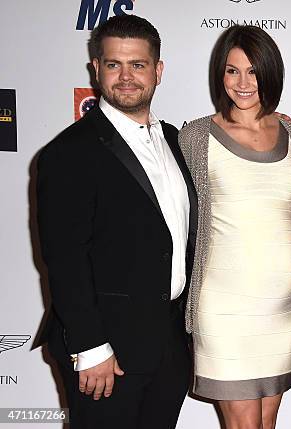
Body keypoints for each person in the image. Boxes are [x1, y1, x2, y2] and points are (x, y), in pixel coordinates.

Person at [37, 15, 196, 429]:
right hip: (107, 353)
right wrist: (90, 347)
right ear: (96, 69)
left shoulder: (176, 141)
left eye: (138, 65)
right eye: (113, 65)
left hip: (169, 343)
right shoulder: (69, 153)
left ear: (158, 70)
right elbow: (65, 259)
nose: (126, 77)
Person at [178, 25, 291, 429]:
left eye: (253, 71)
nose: (242, 83)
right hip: (225, 306)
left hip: (282, 309)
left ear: (270, 73)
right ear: (219, 75)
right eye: (232, 71)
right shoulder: (197, 135)